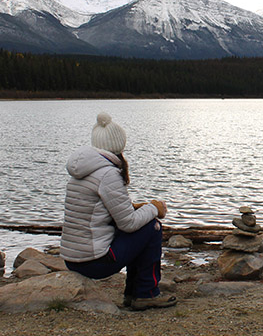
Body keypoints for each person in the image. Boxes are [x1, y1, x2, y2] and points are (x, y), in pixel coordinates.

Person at [60, 112, 176, 310]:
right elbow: (128, 224)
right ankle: (146, 293)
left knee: (142, 224)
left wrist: (141, 208)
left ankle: (134, 294)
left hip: (73, 259)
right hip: (95, 262)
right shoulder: (108, 174)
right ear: (119, 144)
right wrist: (154, 208)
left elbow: (105, 212)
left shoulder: (82, 171)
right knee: (152, 226)